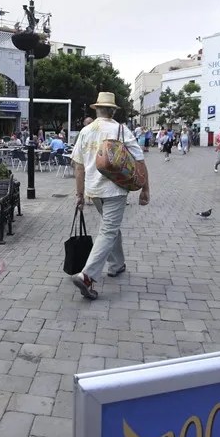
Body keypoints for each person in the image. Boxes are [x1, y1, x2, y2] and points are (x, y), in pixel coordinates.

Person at [70, 92, 150, 300]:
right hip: (116, 189)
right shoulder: (121, 130)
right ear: (113, 110)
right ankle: (87, 276)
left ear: (96, 109)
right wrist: (145, 189)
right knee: (108, 230)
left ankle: (116, 264)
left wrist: (79, 194)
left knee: (110, 227)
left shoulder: (86, 131)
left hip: (93, 190)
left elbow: (78, 167)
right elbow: (139, 161)